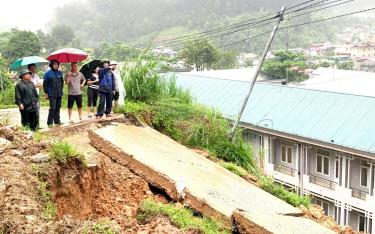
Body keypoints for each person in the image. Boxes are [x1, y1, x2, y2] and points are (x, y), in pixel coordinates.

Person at [43, 59, 64, 127]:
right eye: (54, 64)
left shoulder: (60, 73)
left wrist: (61, 90)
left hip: (59, 93)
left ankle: (57, 121)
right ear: (51, 65)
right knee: (52, 108)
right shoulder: (48, 73)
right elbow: (45, 84)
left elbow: (62, 83)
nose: (56, 65)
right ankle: (50, 123)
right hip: (51, 94)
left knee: (58, 107)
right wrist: (46, 93)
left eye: (57, 64)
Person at [28, 64, 43, 129]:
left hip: (36, 96)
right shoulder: (27, 77)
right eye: (31, 68)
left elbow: (40, 84)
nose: (33, 69)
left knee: (37, 111)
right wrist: (35, 85)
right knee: (30, 112)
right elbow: (27, 86)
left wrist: (33, 85)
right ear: (28, 69)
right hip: (29, 97)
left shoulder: (36, 75)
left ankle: (37, 125)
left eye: (34, 68)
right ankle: (31, 126)